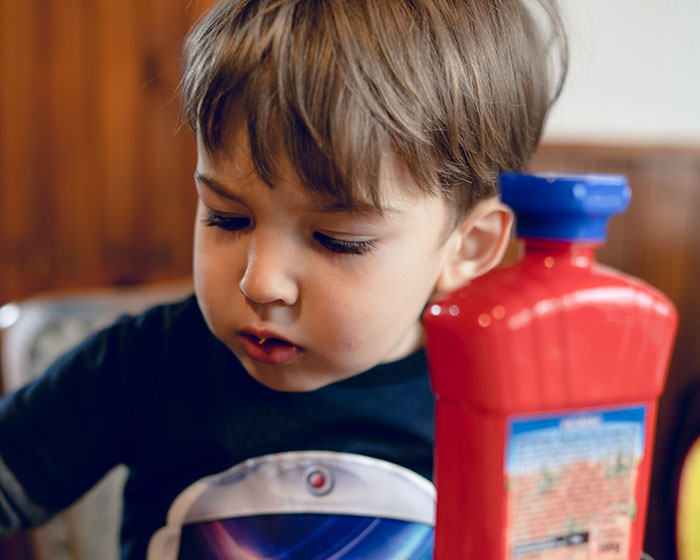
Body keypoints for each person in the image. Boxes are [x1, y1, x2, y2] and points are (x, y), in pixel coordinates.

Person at [0, 0, 567, 558]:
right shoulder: (145, 362)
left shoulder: (503, 403)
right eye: (226, 217)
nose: (260, 282)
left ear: (466, 246)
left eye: (336, 240)